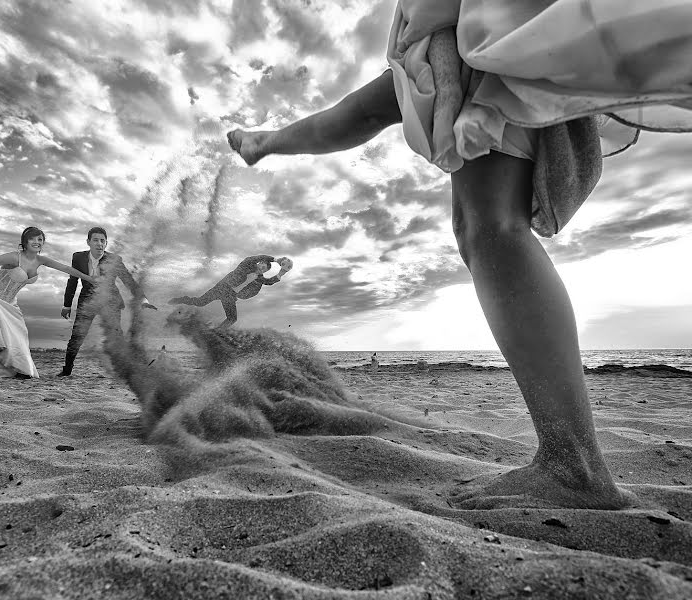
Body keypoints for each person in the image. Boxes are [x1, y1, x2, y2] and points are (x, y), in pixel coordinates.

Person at [227, 2, 692, 509]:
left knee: (490, 227)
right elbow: (359, 113)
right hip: (461, 27)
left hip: (483, 28)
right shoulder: (427, 52)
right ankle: (266, 141)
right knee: (463, 206)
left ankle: (574, 464)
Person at [0, 227, 96, 379]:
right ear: (24, 242)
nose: (36, 242)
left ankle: (19, 370)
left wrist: (88, 278)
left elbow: (66, 268)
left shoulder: (40, 260)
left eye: (40, 239)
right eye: (32, 239)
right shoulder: (14, 257)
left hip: (10, 304)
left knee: (18, 334)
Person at [58, 227, 157, 377]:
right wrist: (67, 305)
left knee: (116, 336)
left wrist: (142, 298)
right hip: (88, 300)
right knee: (77, 335)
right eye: (96, 240)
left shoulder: (114, 260)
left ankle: (127, 369)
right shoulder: (78, 258)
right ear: (88, 242)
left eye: (102, 241)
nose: (99, 244)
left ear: (106, 243)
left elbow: (128, 280)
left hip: (110, 301)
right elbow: (72, 281)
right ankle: (67, 370)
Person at [169, 256, 292, 328]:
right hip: (222, 288)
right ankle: (179, 300)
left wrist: (281, 273)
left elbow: (269, 282)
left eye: (263, 269)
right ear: (258, 263)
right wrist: (275, 259)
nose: (260, 268)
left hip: (230, 295)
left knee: (232, 318)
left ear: (264, 271)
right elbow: (254, 258)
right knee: (200, 302)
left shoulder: (259, 278)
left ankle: (217, 332)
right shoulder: (245, 266)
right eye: (260, 265)